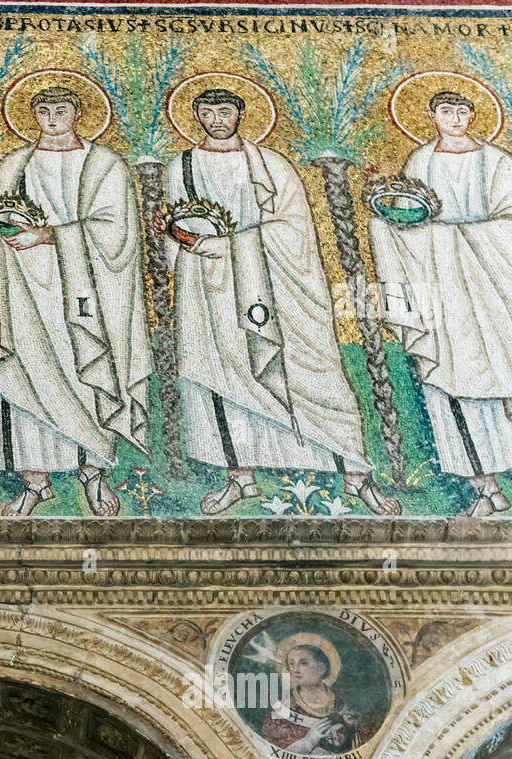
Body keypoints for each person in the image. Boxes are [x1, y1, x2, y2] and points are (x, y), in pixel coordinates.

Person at [165, 87, 400, 516]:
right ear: (196, 115)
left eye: (225, 111)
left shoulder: (272, 164)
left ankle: (356, 475)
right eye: (207, 112)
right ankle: (240, 478)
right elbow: (174, 225)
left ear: (240, 114)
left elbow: (295, 229)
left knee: (311, 372)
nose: (217, 120)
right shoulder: (181, 166)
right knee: (223, 371)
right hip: (207, 287)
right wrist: (179, 238)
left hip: (278, 285)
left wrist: (228, 244)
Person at [370, 90, 512, 516]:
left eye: (462, 111)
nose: (455, 119)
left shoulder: (498, 163)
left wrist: (449, 235)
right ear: (431, 115)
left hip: (502, 293)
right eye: (446, 111)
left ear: (472, 116)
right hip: (450, 295)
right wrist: (389, 227)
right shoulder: (419, 162)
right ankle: (485, 488)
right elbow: (411, 220)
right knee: (455, 380)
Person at [0, 85, 152, 516]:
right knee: (27, 373)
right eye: (44, 111)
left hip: (86, 286)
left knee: (86, 369)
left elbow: (117, 230)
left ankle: (93, 471)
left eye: (61, 110)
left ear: (77, 114)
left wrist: (49, 234)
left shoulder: (104, 164)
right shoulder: (15, 165)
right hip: (22, 287)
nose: (52, 119)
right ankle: (35, 482)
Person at [259, 637, 367, 755]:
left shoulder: (341, 705)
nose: (295, 670)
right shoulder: (281, 707)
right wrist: (309, 741)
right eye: (291, 664)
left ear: (321, 668)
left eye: (303, 663)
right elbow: (269, 753)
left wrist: (351, 728)